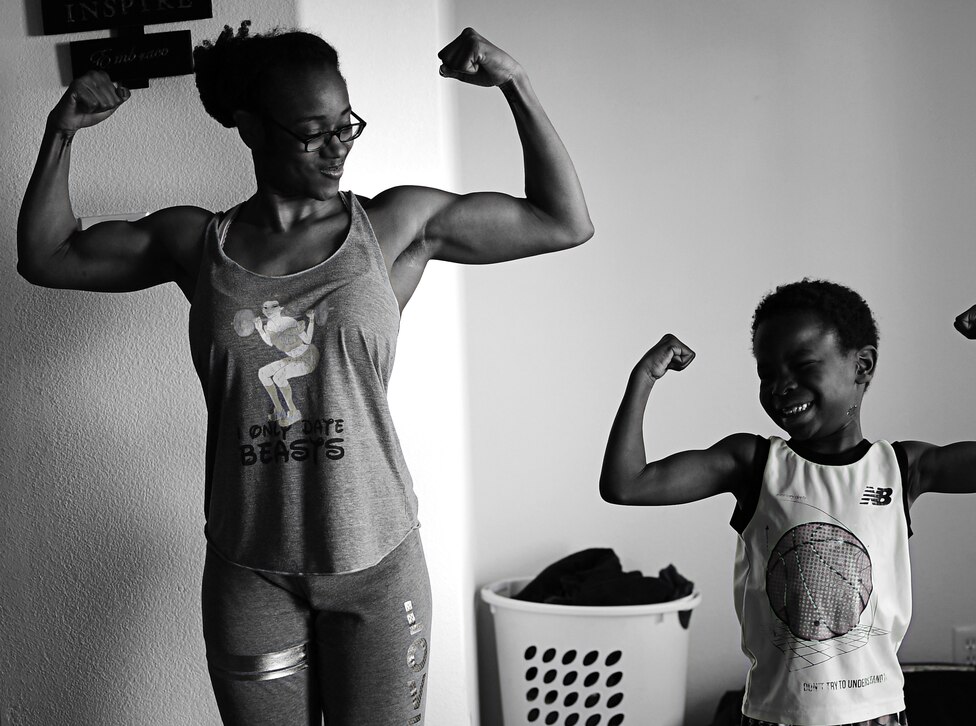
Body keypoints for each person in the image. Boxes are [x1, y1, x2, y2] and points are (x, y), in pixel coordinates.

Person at [18, 20, 592, 726]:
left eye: (346, 124)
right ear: (251, 128)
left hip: (377, 566)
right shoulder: (199, 243)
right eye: (313, 131)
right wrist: (62, 132)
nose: (339, 147)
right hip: (250, 569)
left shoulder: (393, 227)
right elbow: (48, 257)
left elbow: (562, 222)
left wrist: (514, 82)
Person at [599, 279, 976, 726]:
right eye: (767, 372)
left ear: (862, 366)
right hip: (775, 715)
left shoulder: (901, 467)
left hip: (874, 715)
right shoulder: (753, 463)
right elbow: (627, 484)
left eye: (802, 365)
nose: (780, 386)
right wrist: (644, 378)